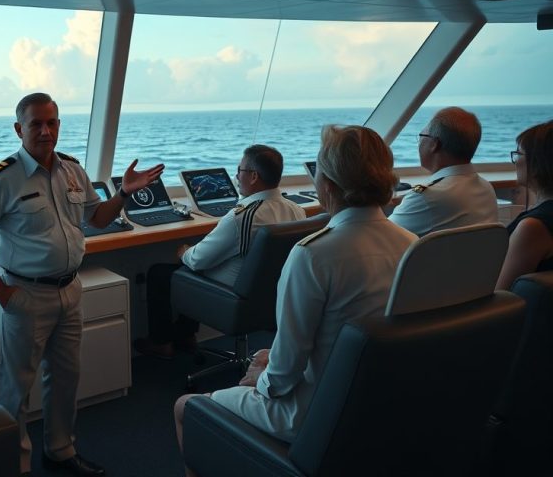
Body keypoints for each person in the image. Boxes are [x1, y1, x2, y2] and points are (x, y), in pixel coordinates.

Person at [173, 125, 415, 473]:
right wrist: (272, 360)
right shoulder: (411, 244)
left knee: (186, 408)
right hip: (375, 400)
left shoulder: (314, 255)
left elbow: (284, 375)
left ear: (327, 184)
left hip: (312, 412)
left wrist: (263, 378)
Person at [0, 92, 164, 477]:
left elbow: (98, 219)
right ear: (19, 129)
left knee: (67, 377)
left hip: (70, 290)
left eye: (51, 122)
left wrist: (122, 193)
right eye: (35, 123)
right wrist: (2, 293)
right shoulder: (1, 178)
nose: (45, 130)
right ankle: (14, 465)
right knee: (16, 388)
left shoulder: (72, 169)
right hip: (25, 294)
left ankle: (59, 449)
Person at [132, 145, 306, 360]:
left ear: (253, 177)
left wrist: (184, 252)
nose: (236, 175)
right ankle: (186, 335)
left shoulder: (242, 216)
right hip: (273, 295)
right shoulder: (297, 210)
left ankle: (161, 342)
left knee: (161, 272)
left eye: (239, 170)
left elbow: (197, 260)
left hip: (236, 298)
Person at [389, 107, 498, 236]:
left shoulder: (426, 196)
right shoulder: (486, 188)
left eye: (422, 136)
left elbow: (383, 235)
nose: (418, 143)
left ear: (434, 144)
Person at [496, 120, 553, 290]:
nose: (514, 162)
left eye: (518, 154)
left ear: (538, 163)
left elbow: (500, 294)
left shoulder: (534, 227)